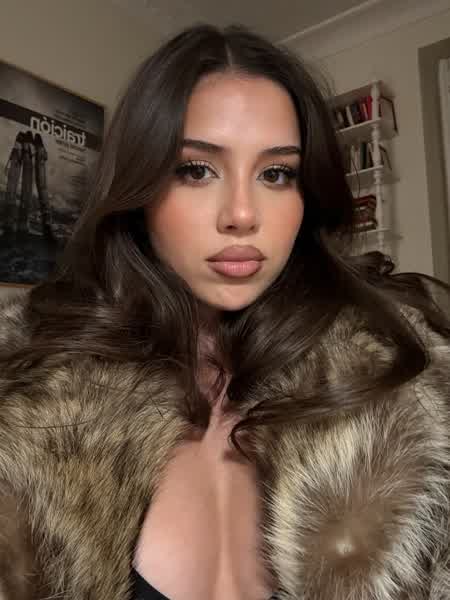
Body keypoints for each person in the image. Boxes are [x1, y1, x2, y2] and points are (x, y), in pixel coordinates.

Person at [0, 23, 449, 600]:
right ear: (140, 187)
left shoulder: (406, 386)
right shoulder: (24, 392)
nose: (241, 213)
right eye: (196, 169)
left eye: (276, 173)